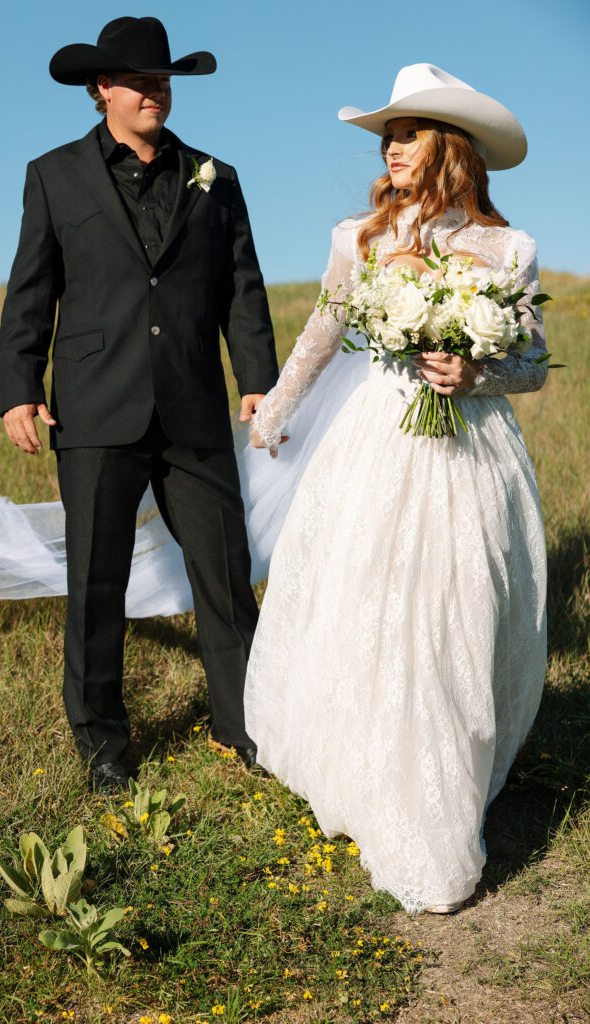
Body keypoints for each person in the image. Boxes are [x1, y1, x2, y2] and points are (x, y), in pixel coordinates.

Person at [245, 64, 548, 914]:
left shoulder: (508, 249)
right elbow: (325, 324)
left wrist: (476, 366)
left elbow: (531, 365)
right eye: (387, 135)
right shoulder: (359, 237)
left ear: (449, 145)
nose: (391, 147)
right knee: (369, 601)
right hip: (376, 442)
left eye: (408, 131)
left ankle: (446, 782)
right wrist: (277, 404)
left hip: (469, 455)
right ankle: (373, 777)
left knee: (457, 608)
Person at [0, 16, 279, 790]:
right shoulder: (54, 175)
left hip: (193, 407)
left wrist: (257, 378)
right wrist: (19, 388)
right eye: (140, 79)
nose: (156, 90)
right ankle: (102, 745)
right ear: (102, 90)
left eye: (164, 79)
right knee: (96, 584)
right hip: (93, 407)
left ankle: (247, 727)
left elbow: (242, 291)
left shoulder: (215, 178)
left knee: (225, 575)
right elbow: (31, 292)